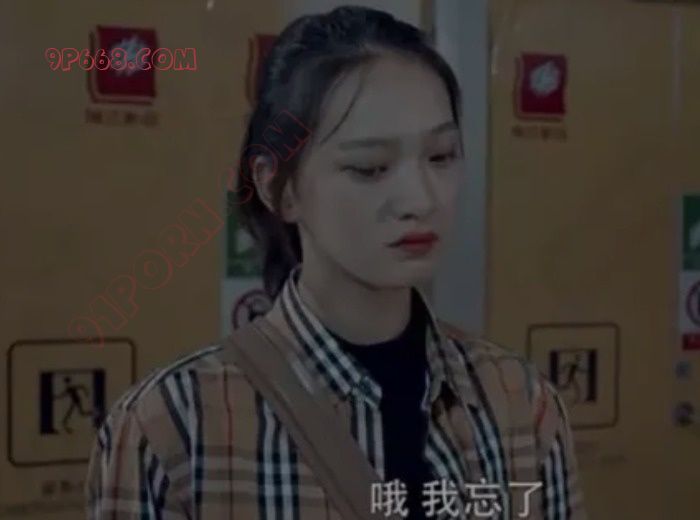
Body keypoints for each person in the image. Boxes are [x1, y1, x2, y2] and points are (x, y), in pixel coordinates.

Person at [86, 5, 586, 519]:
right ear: (279, 188)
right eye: (370, 168)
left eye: (440, 156)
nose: (420, 199)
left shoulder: (520, 403)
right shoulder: (172, 429)